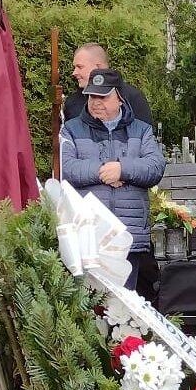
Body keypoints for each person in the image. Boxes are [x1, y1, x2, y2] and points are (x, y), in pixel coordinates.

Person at [60, 68, 166, 290]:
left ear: (120, 97)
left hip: (127, 235)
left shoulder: (141, 131)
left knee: (123, 304)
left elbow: (155, 167)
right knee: (88, 305)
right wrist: (103, 171)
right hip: (88, 236)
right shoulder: (71, 130)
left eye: (103, 96)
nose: (96, 102)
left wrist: (122, 169)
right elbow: (67, 168)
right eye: (92, 96)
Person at [64, 43, 153, 126]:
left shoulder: (133, 98)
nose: (74, 73)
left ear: (98, 67)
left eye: (80, 67)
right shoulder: (72, 103)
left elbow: (144, 134)